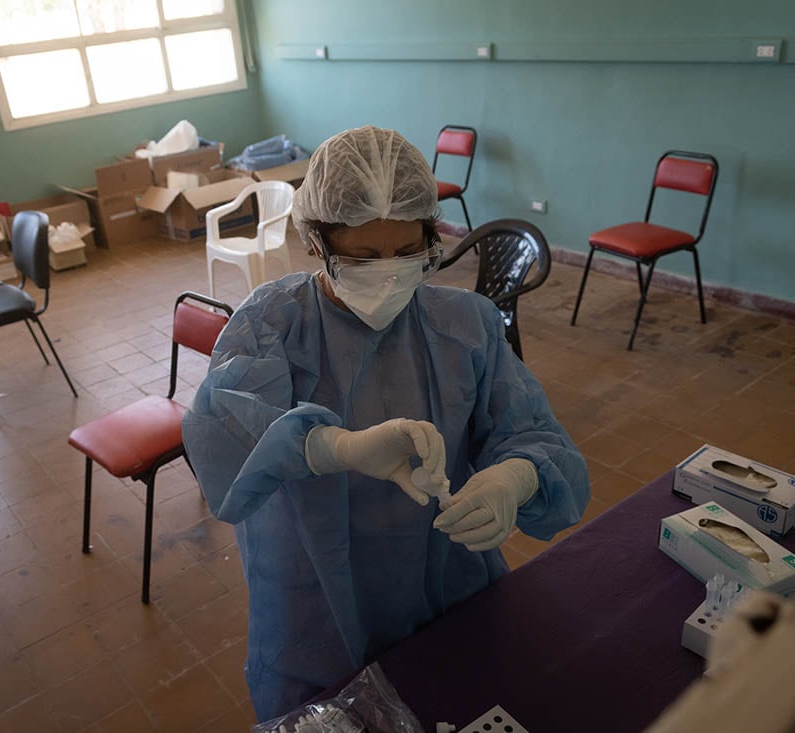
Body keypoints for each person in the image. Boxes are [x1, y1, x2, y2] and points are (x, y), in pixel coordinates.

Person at [182, 125, 589, 721]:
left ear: (430, 236)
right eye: (363, 258)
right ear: (317, 242)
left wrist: (516, 478)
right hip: (314, 600)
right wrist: (331, 447)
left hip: (451, 583)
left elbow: (533, 433)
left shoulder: (467, 325)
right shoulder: (270, 323)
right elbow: (223, 436)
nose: (389, 274)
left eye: (406, 253)